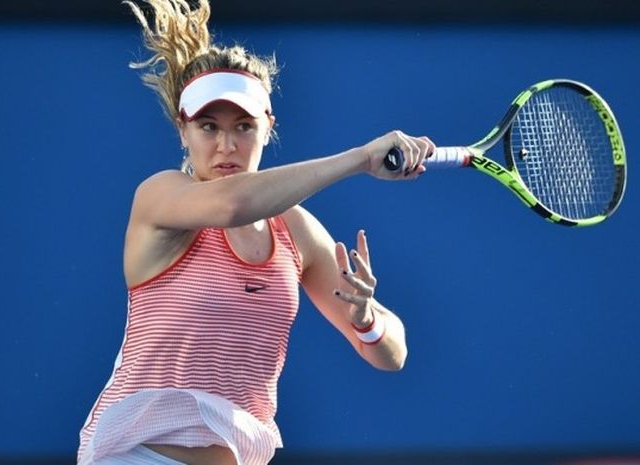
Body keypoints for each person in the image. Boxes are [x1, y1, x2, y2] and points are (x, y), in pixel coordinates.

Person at [77, 0, 434, 464]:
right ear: (183, 132)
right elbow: (232, 204)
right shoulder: (160, 196)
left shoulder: (295, 230)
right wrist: (361, 159)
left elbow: (392, 354)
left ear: (268, 128)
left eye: (244, 126)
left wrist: (367, 321)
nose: (227, 145)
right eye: (209, 126)